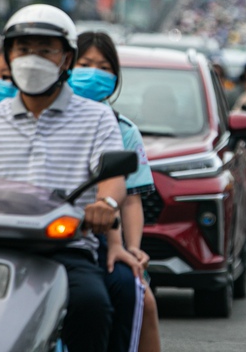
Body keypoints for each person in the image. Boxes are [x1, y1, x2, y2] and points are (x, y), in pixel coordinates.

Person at [0, 4, 137, 352]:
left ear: (66, 59)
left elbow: (112, 181)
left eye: (45, 50)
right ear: (8, 55)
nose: (32, 59)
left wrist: (106, 203)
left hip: (63, 249)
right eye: (23, 50)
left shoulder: (98, 118)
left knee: (91, 306)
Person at [71, 31, 161, 352]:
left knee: (137, 295)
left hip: (95, 237)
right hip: (41, 234)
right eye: (85, 64)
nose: (93, 72)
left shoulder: (121, 130)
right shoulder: (32, 118)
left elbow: (129, 197)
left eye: (103, 66)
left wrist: (130, 247)